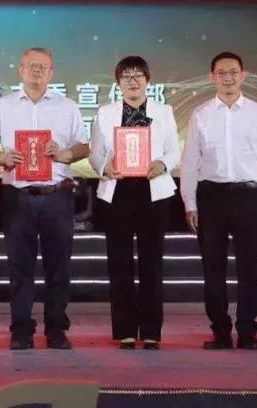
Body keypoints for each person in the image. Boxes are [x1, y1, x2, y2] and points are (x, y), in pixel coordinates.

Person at [0, 47, 88, 350]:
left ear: (52, 72)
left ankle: (56, 330)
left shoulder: (68, 106)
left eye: (43, 66)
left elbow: (83, 146)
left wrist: (65, 153)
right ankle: (21, 331)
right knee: (20, 267)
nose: (37, 71)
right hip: (18, 196)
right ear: (21, 69)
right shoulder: (3, 106)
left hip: (57, 195)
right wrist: (1, 158)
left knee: (59, 267)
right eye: (31, 65)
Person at [180, 51, 257, 351]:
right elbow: (189, 162)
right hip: (210, 196)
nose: (228, 78)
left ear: (243, 76)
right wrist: (190, 204)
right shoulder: (200, 114)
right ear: (211, 77)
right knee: (213, 268)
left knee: (249, 268)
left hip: (249, 196)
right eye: (222, 73)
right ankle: (220, 331)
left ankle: (248, 331)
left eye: (233, 72)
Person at [89, 56, 180, 350]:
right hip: (118, 191)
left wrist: (163, 164)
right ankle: (126, 330)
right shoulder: (105, 113)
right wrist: (105, 167)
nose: (132, 81)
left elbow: (174, 150)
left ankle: (151, 331)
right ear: (118, 83)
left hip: (153, 192)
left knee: (152, 263)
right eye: (126, 76)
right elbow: (95, 153)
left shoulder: (163, 111)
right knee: (119, 263)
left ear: (148, 81)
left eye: (138, 75)